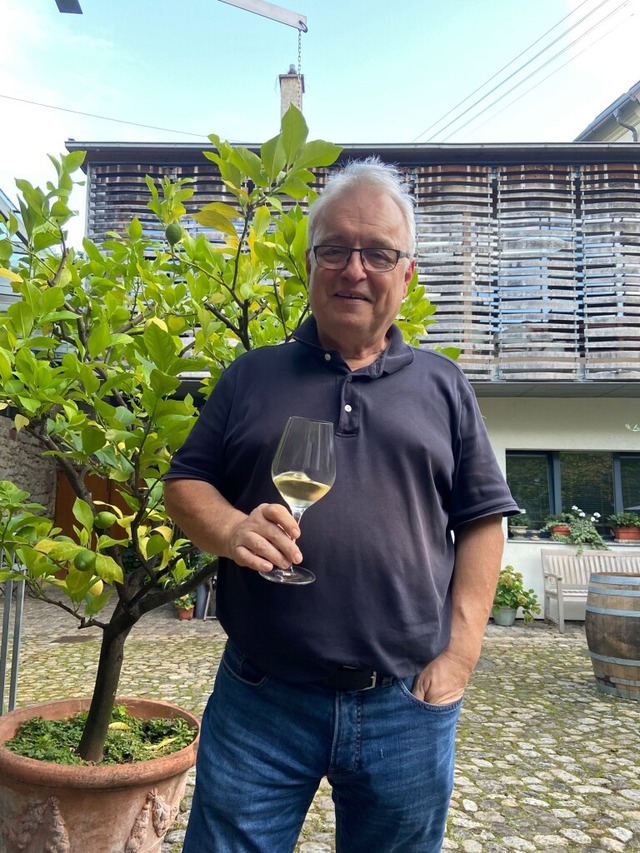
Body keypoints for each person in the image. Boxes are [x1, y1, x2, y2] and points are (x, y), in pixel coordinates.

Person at [164, 157, 519, 853]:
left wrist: (461, 654)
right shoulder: (250, 376)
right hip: (260, 700)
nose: (354, 269)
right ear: (309, 263)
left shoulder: (445, 386)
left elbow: (483, 518)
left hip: (405, 705)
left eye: (379, 252)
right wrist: (232, 525)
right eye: (335, 249)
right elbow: (185, 484)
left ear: (405, 273)